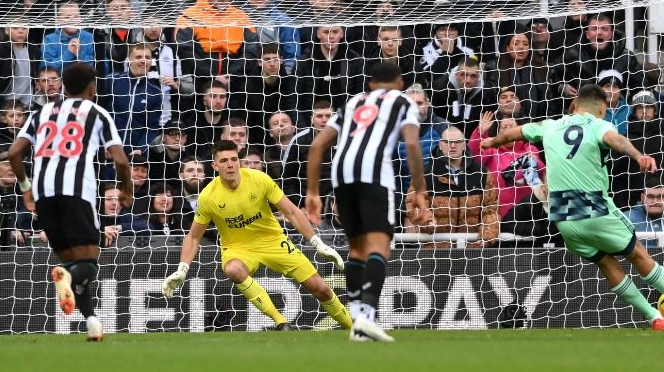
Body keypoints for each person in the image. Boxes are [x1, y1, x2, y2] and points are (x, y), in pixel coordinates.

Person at [480, 84, 664, 331]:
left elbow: (511, 134)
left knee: (606, 263)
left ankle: (653, 317)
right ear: (602, 109)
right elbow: (616, 140)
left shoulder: (549, 125)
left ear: (575, 106)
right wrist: (638, 156)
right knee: (636, 253)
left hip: (561, 217)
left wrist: (489, 142)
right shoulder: (598, 125)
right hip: (593, 206)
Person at [161, 140, 352, 331]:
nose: (230, 164)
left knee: (321, 289)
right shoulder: (208, 196)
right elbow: (194, 236)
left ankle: (352, 328)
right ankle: (281, 322)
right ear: (215, 165)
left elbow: (292, 212)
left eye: (234, 159)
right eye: (224, 160)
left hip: (273, 241)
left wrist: (317, 243)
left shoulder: (259, 179)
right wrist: (183, 269)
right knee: (233, 270)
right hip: (238, 248)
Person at [7, 63, 133, 341]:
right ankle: (67, 277)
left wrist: (26, 189)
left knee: (73, 261)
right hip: (77, 192)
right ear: (93, 87)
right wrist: (127, 189)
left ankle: (92, 323)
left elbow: (14, 153)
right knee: (87, 262)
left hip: (43, 194)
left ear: (62, 86)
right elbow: (121, 159)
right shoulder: (97, 112)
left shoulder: (42, 112)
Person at [305, 62, 429, 342]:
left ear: (370, 85)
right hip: (375, 174)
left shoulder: (353, 102)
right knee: (379, 247)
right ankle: (367, 317)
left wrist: (312, 192)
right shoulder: (403, 100)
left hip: (341, 176)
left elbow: (316, 146)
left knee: (357, 250)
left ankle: (358, 321)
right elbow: (411, 144)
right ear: (400, 83)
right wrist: (419, 188)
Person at [410, 126, 500, 249]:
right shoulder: (425, 174)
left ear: (464, 145)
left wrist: (487, 236)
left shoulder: (481, 173)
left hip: (473, 251)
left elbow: (491, 209)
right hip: (436, 251)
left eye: (457, 142)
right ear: (440, 145)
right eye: (447, 142)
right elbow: (414, 204)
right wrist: (427, 221)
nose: (452, 146)